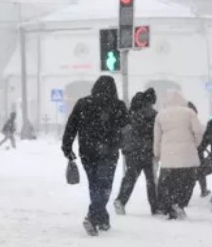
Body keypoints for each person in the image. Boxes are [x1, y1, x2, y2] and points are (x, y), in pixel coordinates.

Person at [61, 75, 128, 235]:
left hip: (87, 151)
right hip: (109, 151)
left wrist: (67, 147)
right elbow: (126, 128)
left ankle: (102, 219)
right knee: (104, 186)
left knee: (95, 185)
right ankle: (92, 217)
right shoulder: (118, 105)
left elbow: (71, 126)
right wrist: (122, 144)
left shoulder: (83, 103)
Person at [153, 91, 204, 219]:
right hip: (187, 155)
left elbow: (157, 138)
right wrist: (194, 144)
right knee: (187, 182)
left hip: (169, 157)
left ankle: (171, 206)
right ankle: (180, 203)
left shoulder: (160, 115)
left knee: (169, 183)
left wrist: (157, 153)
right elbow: (198, 131)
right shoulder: (189, 113)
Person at [113, 92, 158, 215]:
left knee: (130, 177)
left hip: (132, 152)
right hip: (148, 151)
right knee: (151, 180)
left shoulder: (129, 115)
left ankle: (121, 200)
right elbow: (155, 133)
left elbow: (123, 132)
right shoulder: (152, 115)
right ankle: (155, 207)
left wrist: (124, 146)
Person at [186, 101, 211, 198]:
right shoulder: (194, 121)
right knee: (200, 170)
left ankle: (185, 193)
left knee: (190, 171)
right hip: (194, 149)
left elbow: (205, 138)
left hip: (187, 150)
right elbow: (203, 137)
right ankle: (203, 190)